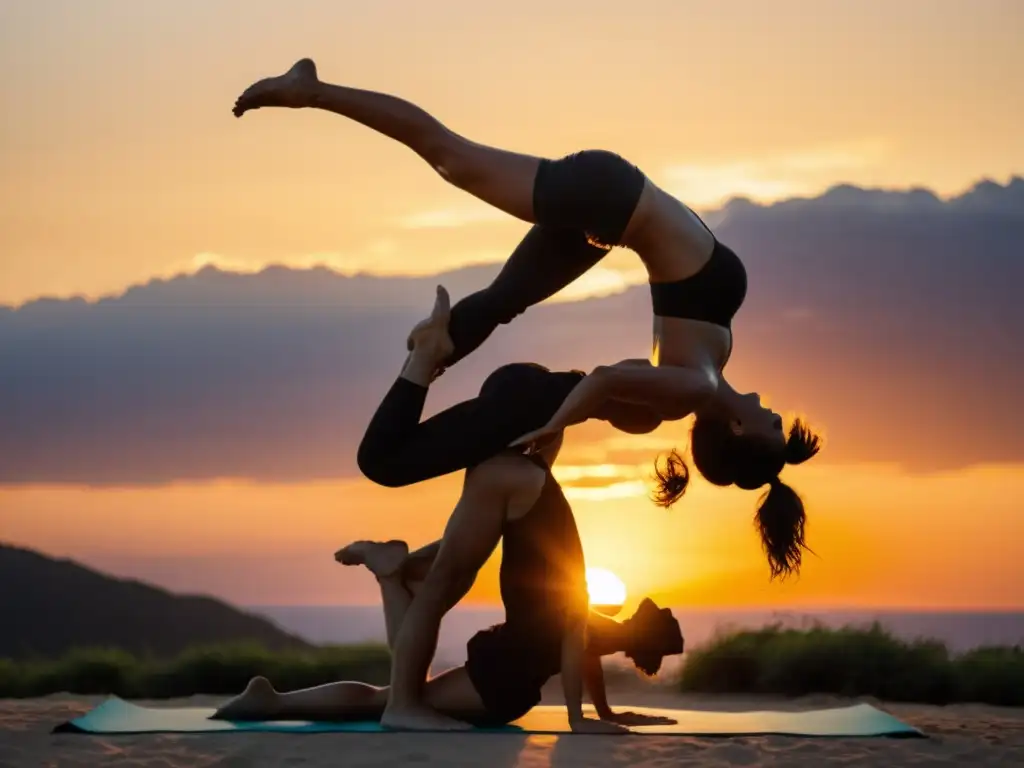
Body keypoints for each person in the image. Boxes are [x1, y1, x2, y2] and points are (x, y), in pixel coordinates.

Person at [232, 59, 824, 579]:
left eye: (773, 426)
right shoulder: (703, 375)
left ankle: (312, 95)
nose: (776, 412)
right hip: (613, 205)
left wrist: (554, 425)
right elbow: (607, 384)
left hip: (608, 209)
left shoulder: (697, 384)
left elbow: (605, 378)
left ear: (740, 433)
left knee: (467, 207)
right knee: (453, 167)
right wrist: (560, 421)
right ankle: (313, 93)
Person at [213, 444, 684, 732]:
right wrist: (583, 719)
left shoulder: (604, 631)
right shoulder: (598, 627)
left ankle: (391, 574)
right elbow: (574, 649)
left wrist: (603, 712)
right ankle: (274, 699)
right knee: (389, 698)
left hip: (499, 682)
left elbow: (580, 655)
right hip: (495, 687)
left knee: (396, 692)